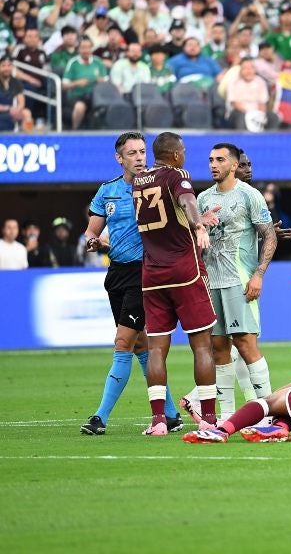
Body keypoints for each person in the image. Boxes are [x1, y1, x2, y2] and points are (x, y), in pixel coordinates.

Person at [80, 132, 182, 436]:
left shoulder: (156, 185)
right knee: (140, 344)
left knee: (122, 341)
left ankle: (100, 417)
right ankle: (172, 414)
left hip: (146, 272)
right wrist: (92, 241)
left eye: (142, 152)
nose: (140, 158)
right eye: (133, 153)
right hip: (117, 274)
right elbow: (92, 230)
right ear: (119, 158)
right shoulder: (107, 191)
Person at [134, 132, 218, 436]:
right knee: (202, 345)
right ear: (175, 154)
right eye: (182, 150)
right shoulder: (176, 175)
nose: (184, 155)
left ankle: (158, 421)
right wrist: (198, 223)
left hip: (152, 274)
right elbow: (186, 199)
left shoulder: (139, 181)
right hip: (184, 270)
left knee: (156, 348)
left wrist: (196, 218)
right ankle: (209, 417)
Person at [195, 143, 276, 421]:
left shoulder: (249, 195)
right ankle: (226, 416)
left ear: (233, 164)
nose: (213, 164)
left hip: (239, 280)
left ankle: (267, 413)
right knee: (218, 347)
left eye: (219, 159)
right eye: (210, 160)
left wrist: (258, 274)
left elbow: (269, 235)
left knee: (245, 343)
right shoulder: (202, 198)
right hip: (211, 280)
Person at [63, 37, 109, 130]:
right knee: (80, 107)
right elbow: (64, 85)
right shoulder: (73, 63)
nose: (86, 50)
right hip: (77, 95)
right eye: (83, 47)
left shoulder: (98, 61)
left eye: (88, 47)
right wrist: (76, 83)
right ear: (78, 49)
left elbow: (106, 80)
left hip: (96, 95)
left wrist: (101, 81)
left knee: (104, 106)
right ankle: (74, 130)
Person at [0, 56, 32, 132]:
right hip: (4, 109)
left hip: (11, 110)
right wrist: (8, 108)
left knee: (26, 113)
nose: (6, 69)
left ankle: (28, 138)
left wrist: (17, 110)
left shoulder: (16, 82)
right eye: (3, 66)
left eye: (9, 66)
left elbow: (21, 101)